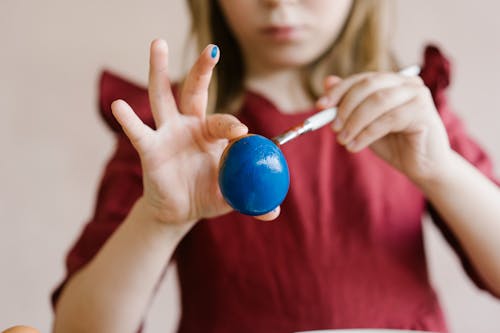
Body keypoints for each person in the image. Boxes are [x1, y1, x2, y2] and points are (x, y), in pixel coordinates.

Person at [52, 1, 500, 332]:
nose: (279, 5)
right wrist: (158, 221)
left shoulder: (412, 114)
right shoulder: (168, 133)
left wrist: (440, 170)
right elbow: (77, 329)